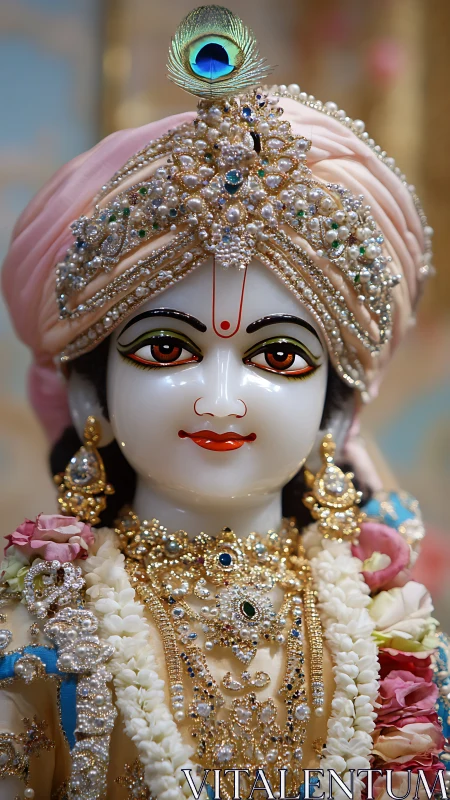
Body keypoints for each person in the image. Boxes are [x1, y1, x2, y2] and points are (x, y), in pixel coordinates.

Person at [0, 6, 448, 799]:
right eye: (167, 349)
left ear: (334, 411)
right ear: (88, 389)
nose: (218, 399)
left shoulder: (395, 633)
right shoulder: (32, 628)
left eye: (277, 357)